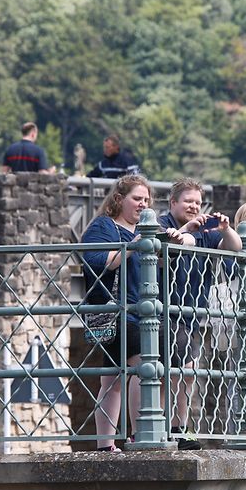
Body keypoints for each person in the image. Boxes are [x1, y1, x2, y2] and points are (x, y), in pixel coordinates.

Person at [156, 179, 242, 450]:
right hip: (160, 309)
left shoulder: (206, 228)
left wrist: (226, 230)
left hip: (191, 311)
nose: (193, 206)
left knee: (185, 373)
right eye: (187, 201)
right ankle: (164, 430)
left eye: (197, 202)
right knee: (166, 373)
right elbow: (169, 244)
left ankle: (180, 429)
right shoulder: (160, 222)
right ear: (173, 203)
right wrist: (186, 229)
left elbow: (236, 247)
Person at [80, 175, 151, 452]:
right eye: (137, 198)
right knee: (143, 367)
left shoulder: (143, 230)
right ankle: (140, 436)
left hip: (138, 312)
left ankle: (105, 445)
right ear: (119, 199)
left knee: (112, 380)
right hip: (116, 311)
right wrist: (135, 244)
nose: (142, 204)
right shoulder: (103, 226)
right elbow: (99, 263)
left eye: (146, 200)